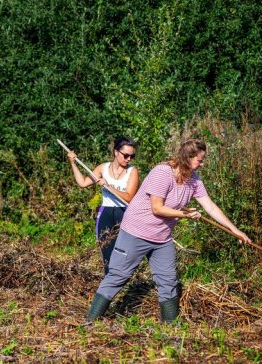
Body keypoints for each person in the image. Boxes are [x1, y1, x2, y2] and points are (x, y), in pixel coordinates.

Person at [85, 139, 252, 323]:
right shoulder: (162, 172)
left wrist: (236, 231)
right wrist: (185, 215)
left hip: (162, 237)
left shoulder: (194, 181)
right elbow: (157, 208)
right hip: (136, 231)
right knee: (118, 275)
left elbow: (210, 207)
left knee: (168, 281)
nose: (202, 164)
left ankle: (169, 328)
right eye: (200, 160)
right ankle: (90, 322)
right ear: (188, 158)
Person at [67, 137, 139, 274]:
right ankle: (108, 291)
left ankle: (121, 282)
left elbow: (129, 197)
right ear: (116, 152)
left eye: (132, 156)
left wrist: (108, 186)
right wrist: (73, 164)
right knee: (107, 255)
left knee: (123, 255)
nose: (129, 159)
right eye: (126, 155)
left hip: (123, 213)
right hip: (106, 213)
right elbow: (82, 183)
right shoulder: (103, 168)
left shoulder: (132, 171)